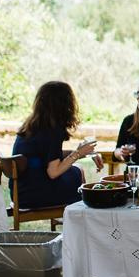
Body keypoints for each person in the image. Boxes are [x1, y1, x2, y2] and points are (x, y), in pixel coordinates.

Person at [11, 81, 102, 209]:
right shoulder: (52, 130)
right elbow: (53, 172)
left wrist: (81, 153)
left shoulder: (32, 125)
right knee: (76, 172)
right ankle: (78, 215)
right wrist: (78, 153)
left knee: (75, 170)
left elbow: (49, 157)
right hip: (36, 195)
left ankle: (76, 215)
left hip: (20, 193)